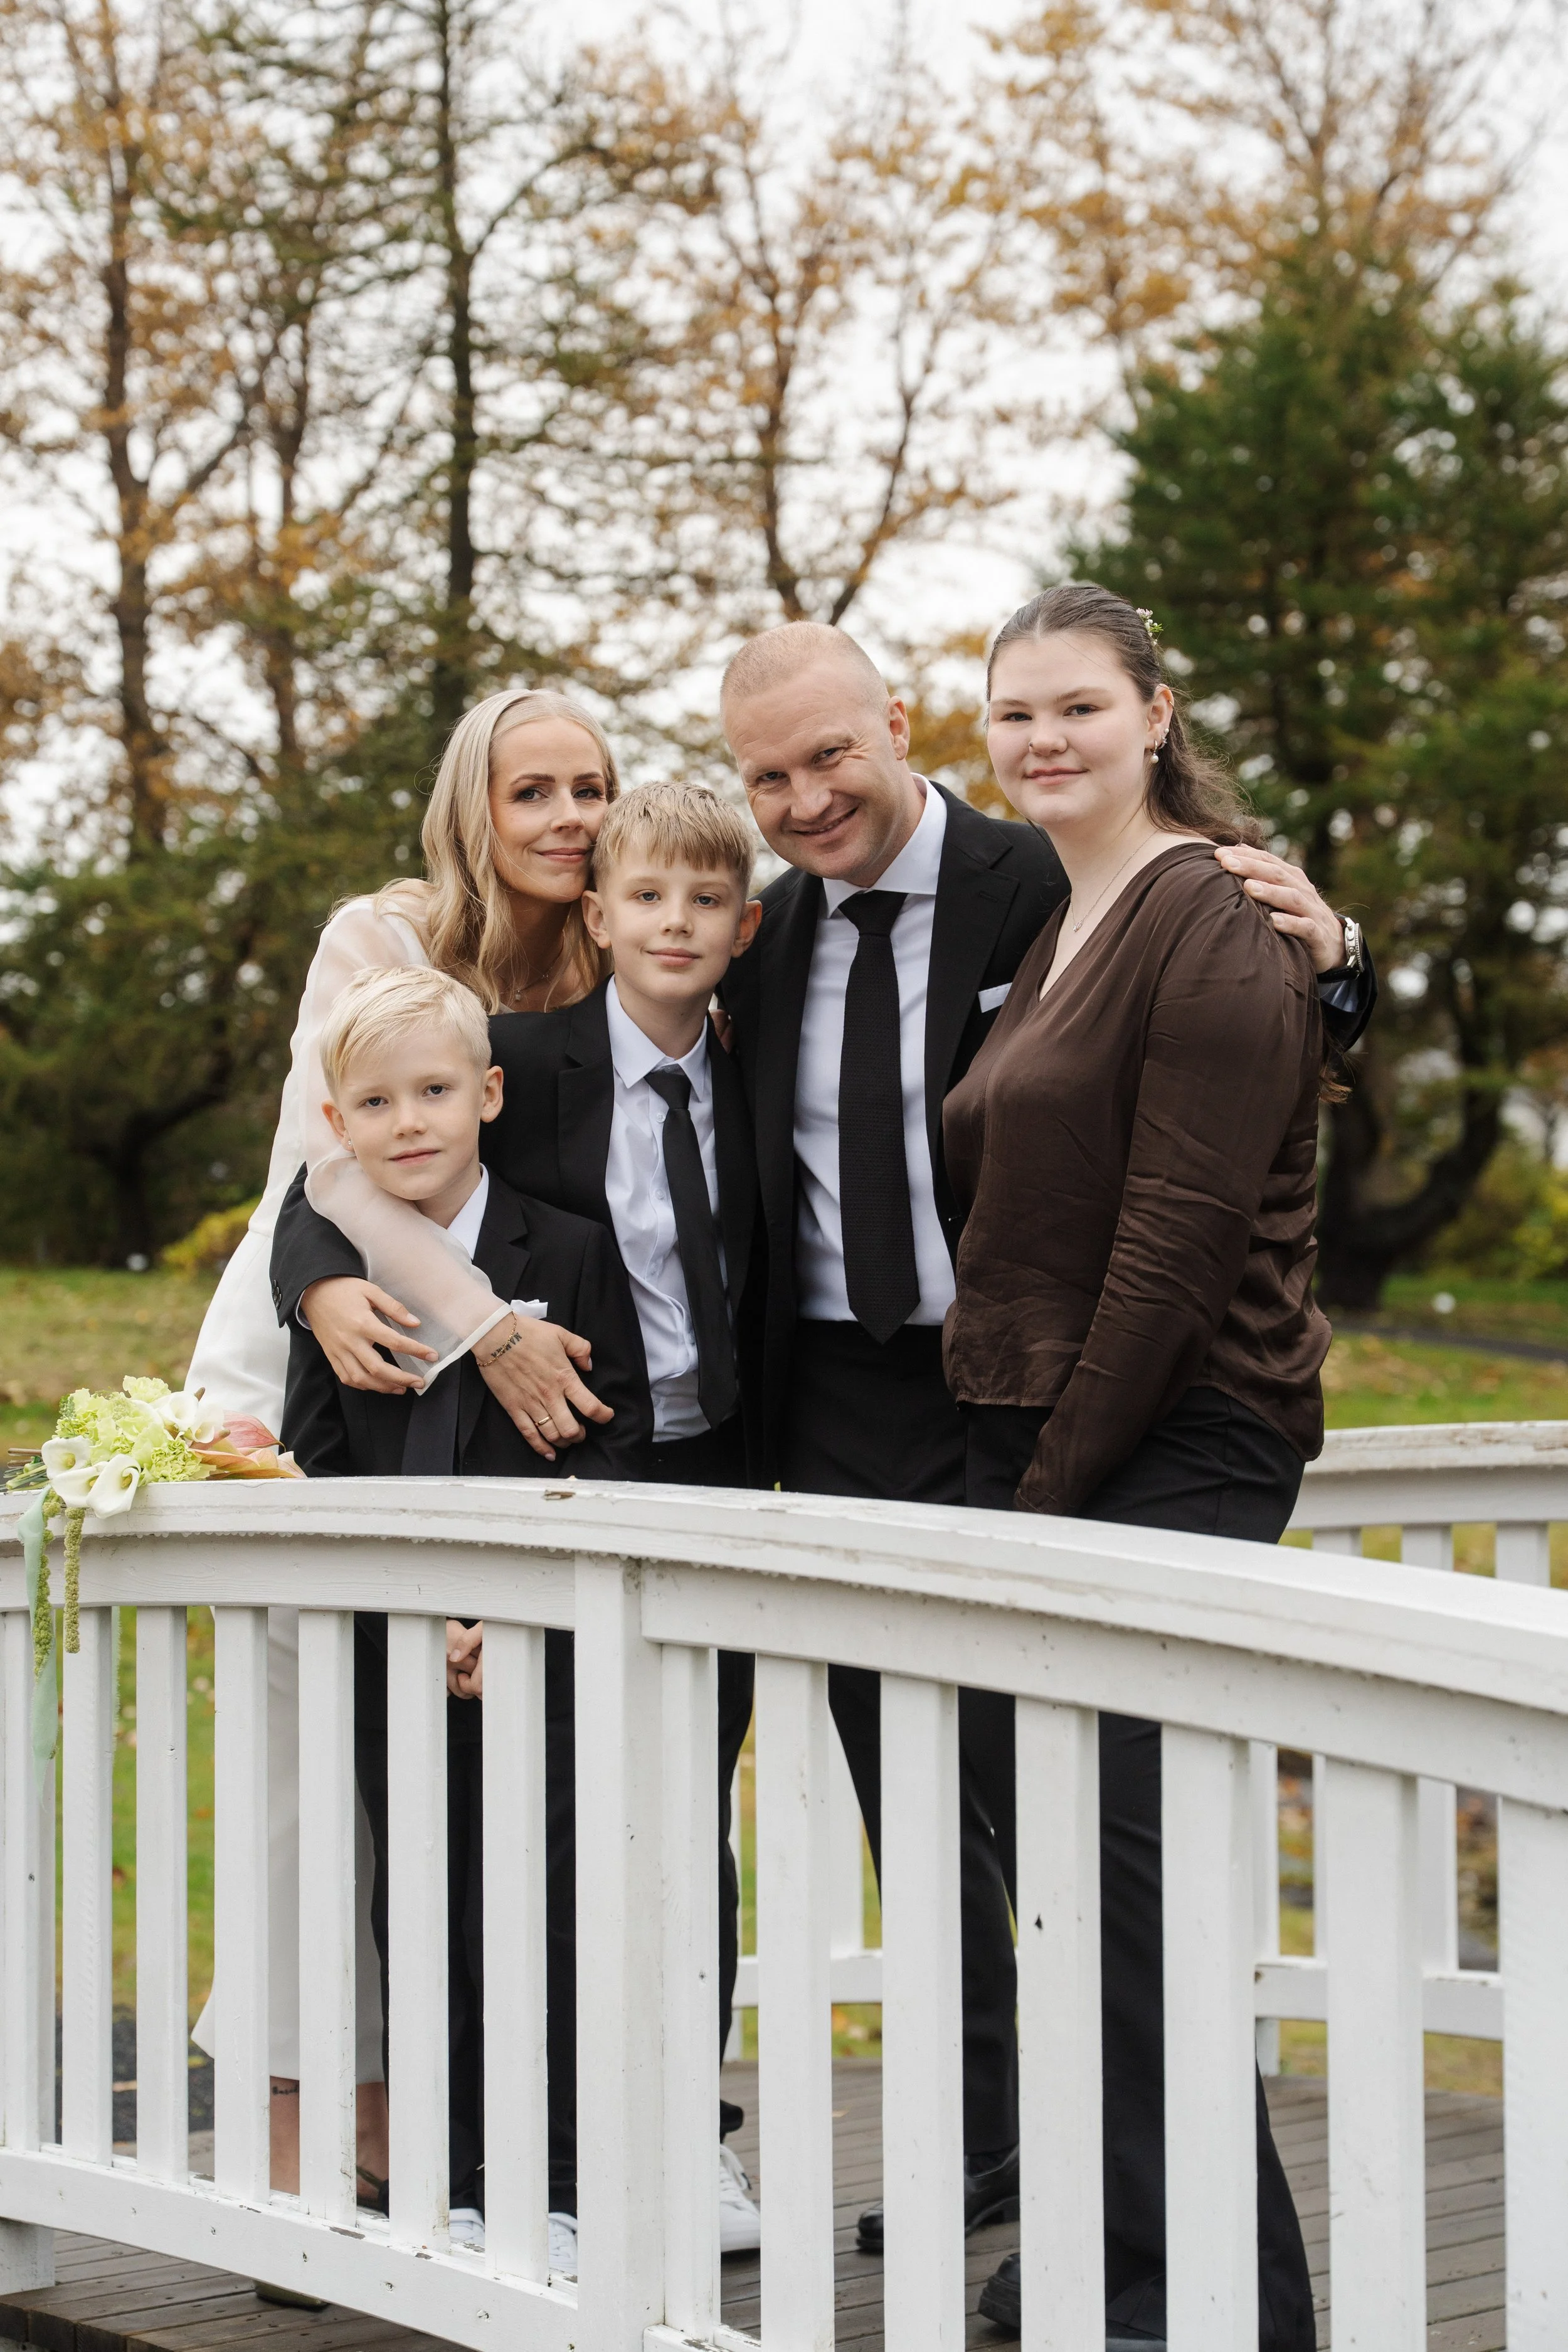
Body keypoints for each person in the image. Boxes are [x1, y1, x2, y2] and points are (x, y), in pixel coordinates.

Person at [715, 620, 1375, 2265]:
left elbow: (1221, 1070)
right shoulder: (760, 935)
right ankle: (1010, 2162)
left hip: (1036, 1403)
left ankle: (1150, 2239)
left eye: (829, 756)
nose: (804, 800)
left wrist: (1339, 964)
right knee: (923, 1821)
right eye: (765, 778)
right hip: (842, 1408)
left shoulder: (1054, 869)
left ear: (899, 726)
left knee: (1080, 1837)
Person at [269, 780, 768, 2250]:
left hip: (697, 1490)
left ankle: (676, 2143)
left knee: (671, 1842)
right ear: (597, 914)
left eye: (701, 903)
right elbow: (344, 1170)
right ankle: (487, 2175)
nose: (670, 926)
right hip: (497, 1551)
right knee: (462, 1883)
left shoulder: (761, 1047)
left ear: (739, 925)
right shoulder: (529, 1063)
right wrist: (314, 1277)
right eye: (640, 896)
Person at [943, 582, 1326, 2348]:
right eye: (1012, 710)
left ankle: (1230, 2306)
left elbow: (1175, 1244)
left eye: (1077, 705)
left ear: (1154, 713)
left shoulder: (1215, 913)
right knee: (1080, 1905)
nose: (1041, 738)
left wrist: (1048, 1498)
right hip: (1057, 1440)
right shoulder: (1062, 910)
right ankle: (1108, 2267)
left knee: (1141, 1896)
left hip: (1169, 1443)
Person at [184, 687, 626, 2206]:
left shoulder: (614, 943)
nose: (567, 820)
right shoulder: (383, 934)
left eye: (591, 787)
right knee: (317, 1764)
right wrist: (468, 1320)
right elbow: (328, 1163)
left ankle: (490, 2121)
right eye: (531, 793)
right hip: (343, 1344)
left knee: (488, 1794)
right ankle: (312, 2117)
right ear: (470, 809)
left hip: (510, 1421)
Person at [281, 963, 650, 2277]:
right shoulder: (339, 1282)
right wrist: (404, 1611)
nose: (410, 1122)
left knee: (544, 1913)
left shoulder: (569, 1251)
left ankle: (549, 2178)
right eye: (374, 1102)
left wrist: (522, 1604)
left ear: (487, 1095)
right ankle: (443, 2178)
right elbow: (311, 1464)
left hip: (538, 1657)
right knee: (423, 1917)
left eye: (434, 1090)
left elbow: (621, 1449)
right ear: (338, 1123)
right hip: (399, 1655)